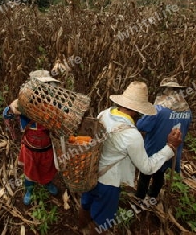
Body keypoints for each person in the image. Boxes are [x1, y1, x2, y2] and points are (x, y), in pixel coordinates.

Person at [78, 81, 182, 235]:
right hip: (108, 182)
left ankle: (81, 226)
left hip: (91, 172)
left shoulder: (105, 113)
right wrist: (170, 147)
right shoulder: (132, 135)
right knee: (103, 222)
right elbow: (147, 168)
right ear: (136, 110)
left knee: (86, 204)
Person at [2, 70, 59, 205]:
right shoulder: (23, 105)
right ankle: (29, 190)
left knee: (46, 168)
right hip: (30, 148)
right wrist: (10, 109)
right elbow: (7, 114)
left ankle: (47, 183)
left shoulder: (52, 104)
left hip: (46, 147)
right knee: (29, 172)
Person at [135, 77, 192, 200]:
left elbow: (141, 126)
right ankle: (153, 196)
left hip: (154, 148)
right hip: (173, 150)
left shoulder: (158, 109)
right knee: (160, 172)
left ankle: (140, 198)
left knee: (146, 173)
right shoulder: (187, 111)